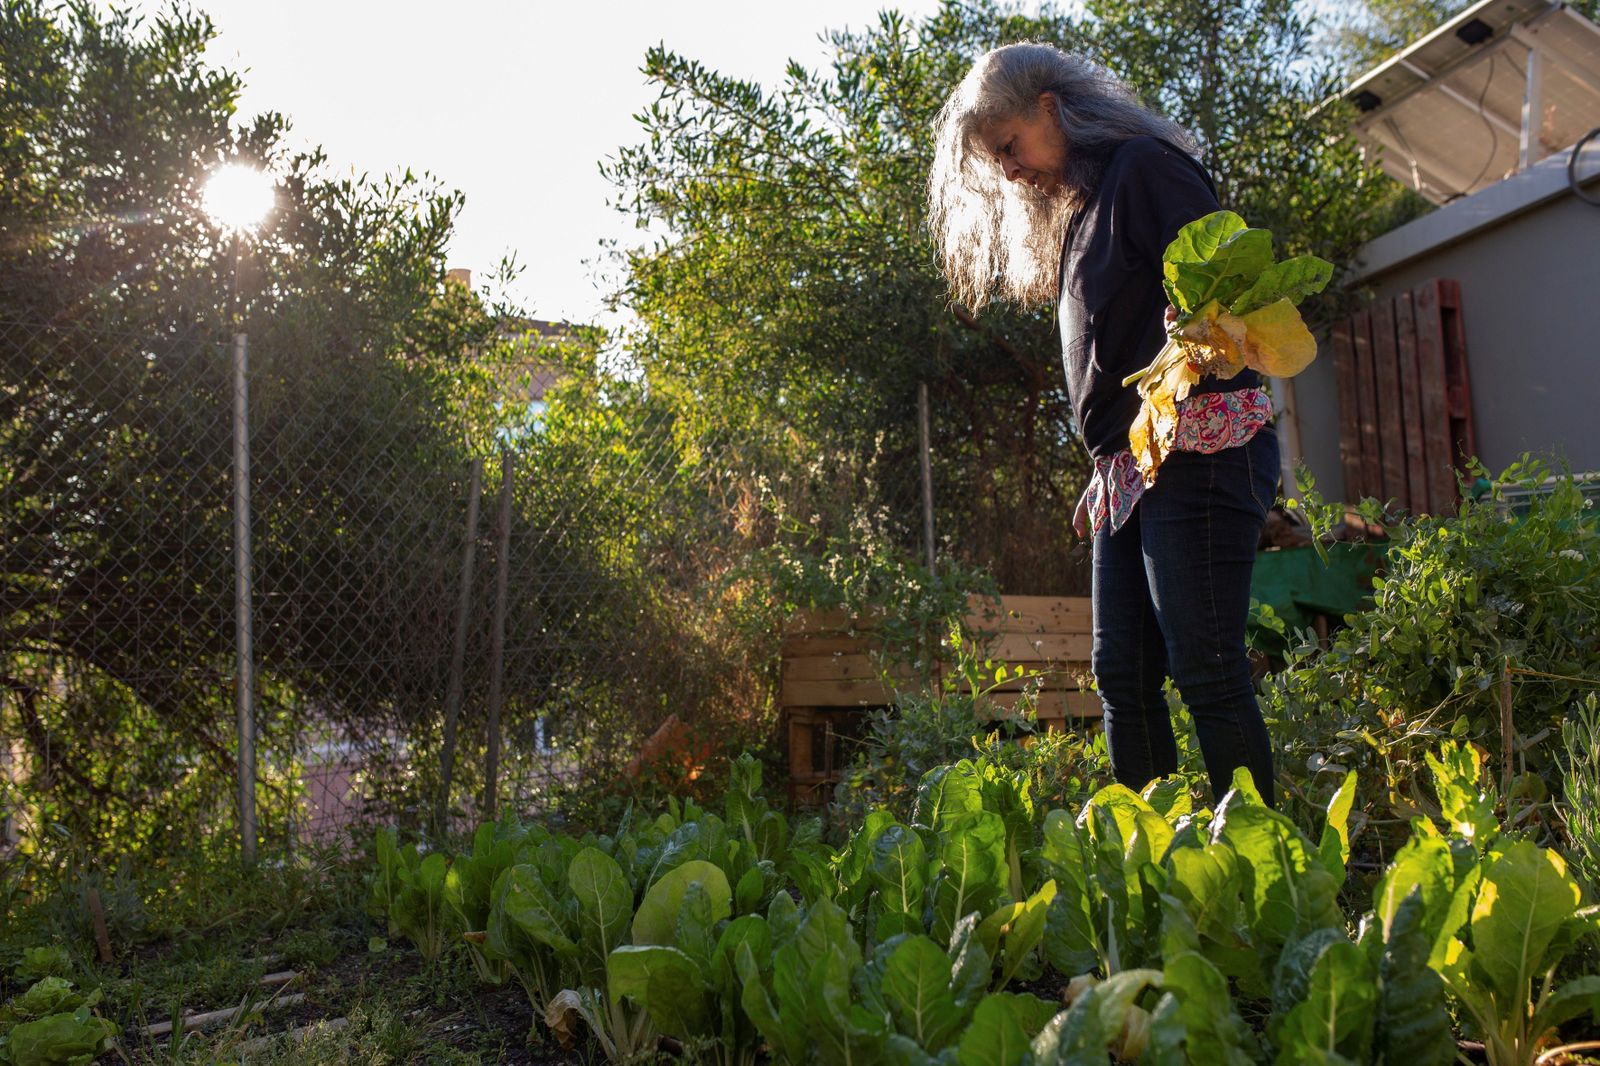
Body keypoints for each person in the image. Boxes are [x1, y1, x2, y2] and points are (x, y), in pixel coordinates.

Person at [927, 42, 1279, 806]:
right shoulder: (1085, 211)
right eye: (998, 159)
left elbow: (1233, 288)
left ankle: (1264, 856)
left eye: (1010, 146)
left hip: (1198, 447)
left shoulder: (1146, 169)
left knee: (1206, 668)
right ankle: (1148, 853)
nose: (1010, 170)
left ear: (1051, 108)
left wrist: (1201, 328)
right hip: (1129, 471)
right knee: (1121, 673)